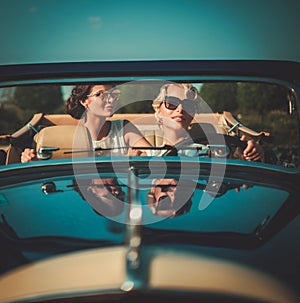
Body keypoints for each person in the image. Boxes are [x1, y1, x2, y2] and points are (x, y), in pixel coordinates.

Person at [21, 84, 151, 162]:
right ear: (84, 101)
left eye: (113, 94)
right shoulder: (66, 138)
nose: (111, 99)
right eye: (101, 94)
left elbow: (154, 154)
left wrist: (141, 155)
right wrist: (29, 158)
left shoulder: (124, 128)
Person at [150, 83, 264, 161]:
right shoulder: (146, 153)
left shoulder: (210, 151)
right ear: (158, 110)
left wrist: (250, 153)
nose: (180, 109)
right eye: (172, 103)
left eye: (188, 105)